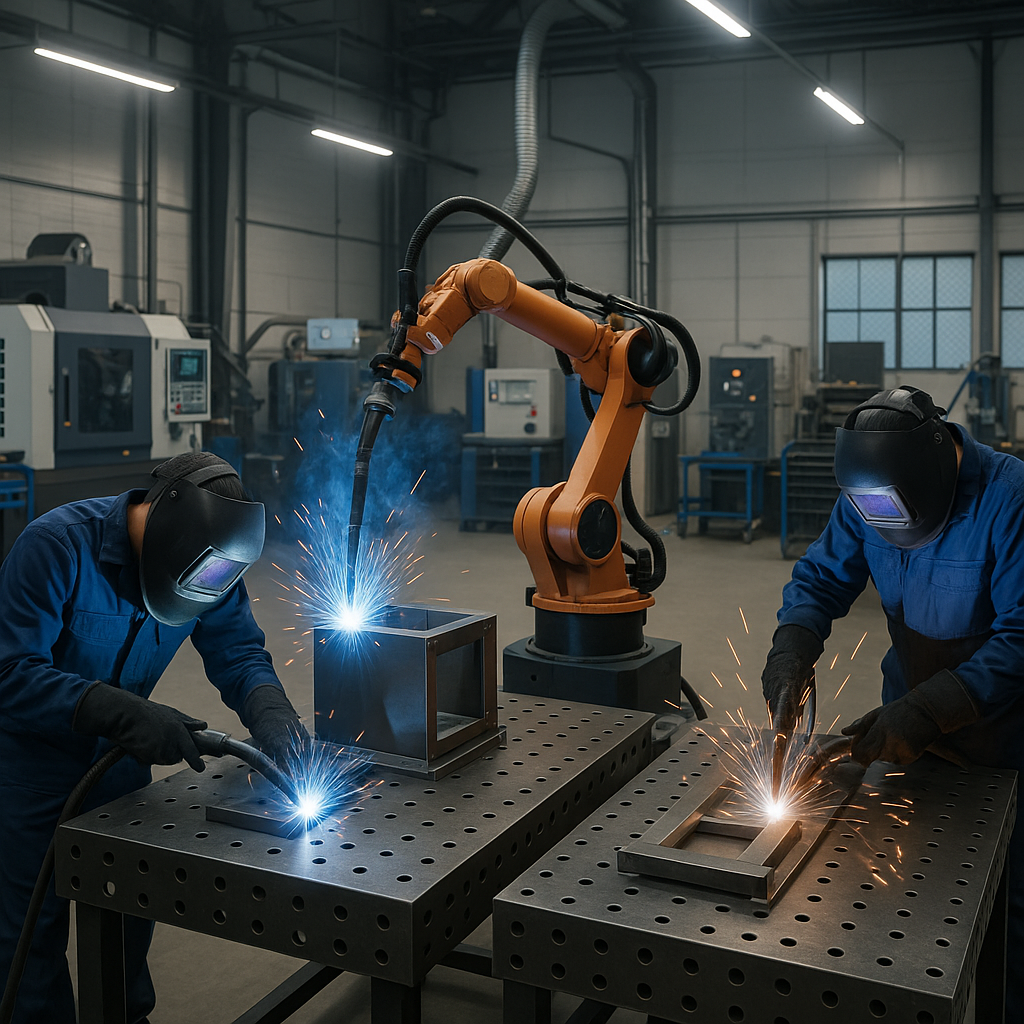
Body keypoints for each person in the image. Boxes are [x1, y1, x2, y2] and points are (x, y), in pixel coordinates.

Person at [0, 452, 305, 1024]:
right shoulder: (58, 546)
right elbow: (9, 672)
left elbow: (237, 652)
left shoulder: (212, 565)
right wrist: (118, 711)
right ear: (166, 526)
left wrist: (274, 720)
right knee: (28, 949)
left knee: (124, 930)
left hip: (118, 772)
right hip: (26, 775)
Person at [762, 385, 1024, 1020]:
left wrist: (932, 709)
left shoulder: (1010, 496)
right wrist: (793, 643)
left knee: (1003, 912)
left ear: (940, 473)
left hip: (1003, 739)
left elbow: (1022, 633)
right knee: (896, 888)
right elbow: (823, 577)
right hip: (905, 721)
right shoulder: (868, 493)